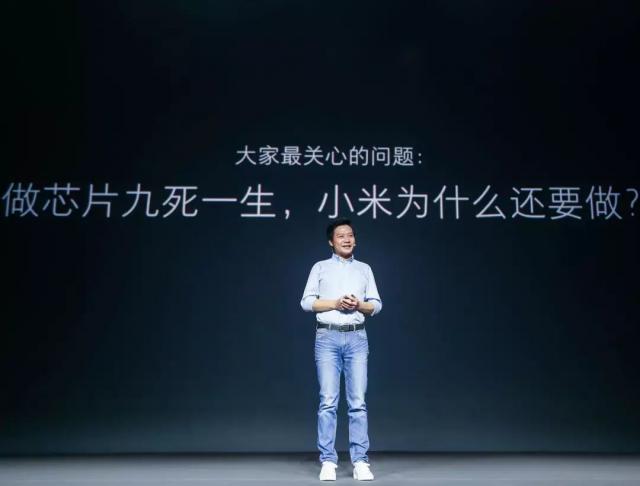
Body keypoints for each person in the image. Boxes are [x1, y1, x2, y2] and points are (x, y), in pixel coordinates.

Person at [300, 218, 382, 481]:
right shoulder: (320, 267)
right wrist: (335, 303)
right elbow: (306, 302)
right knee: (328, 401)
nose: (346, 239)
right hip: (328, 337)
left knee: (358, 402)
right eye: (340, 236)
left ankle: (360, 461)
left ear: (355, 240)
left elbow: (376, 305)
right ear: (331, 242)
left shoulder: (364, 269)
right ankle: (328, 460)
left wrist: (359, 305)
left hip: (357, 338)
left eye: (350, 235)